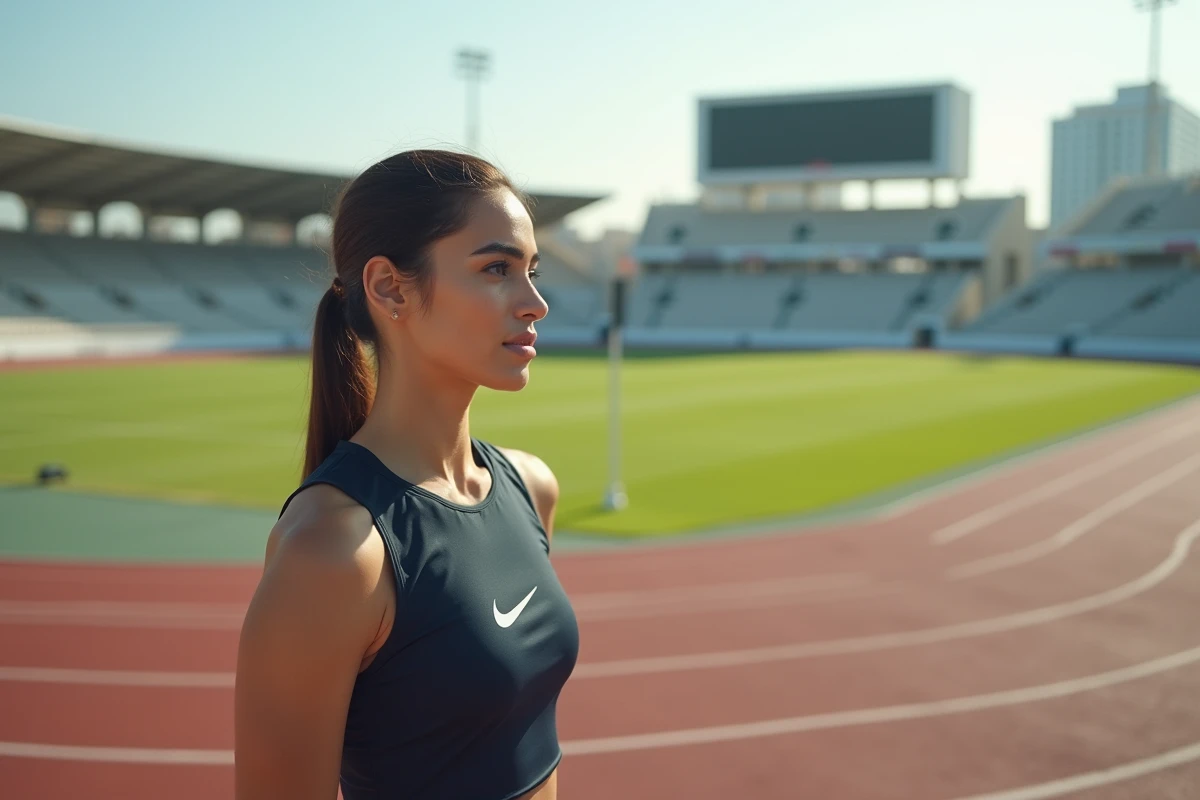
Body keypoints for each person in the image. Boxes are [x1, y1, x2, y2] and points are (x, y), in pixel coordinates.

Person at [234, 150, 580, 800]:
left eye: (532, 270)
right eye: (497, 268)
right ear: (390, 287)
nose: (536, 303)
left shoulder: (532, 488)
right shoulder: (335, 551)